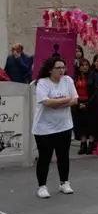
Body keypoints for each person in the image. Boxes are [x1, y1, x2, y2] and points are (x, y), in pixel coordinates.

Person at [33, 57, 78, 198]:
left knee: (63, 156)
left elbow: (75, 100)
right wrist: (65, 100)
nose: (61, 70)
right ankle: (42, 186)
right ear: (50, 69)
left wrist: (57, 103)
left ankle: (64, 182)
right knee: (45, 158)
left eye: (63, 67)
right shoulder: (42, 83)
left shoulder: (68, 80)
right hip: (44, 128)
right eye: (58, 68)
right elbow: (47, 103)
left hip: (64, 126)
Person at [72, 58, 92, 155]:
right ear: (79, 67)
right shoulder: (75, 78)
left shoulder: (92, 76)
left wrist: (87, 104)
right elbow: (72, 91)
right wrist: (78, 103)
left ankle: (91, 144)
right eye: (82, 65)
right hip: (78, 102)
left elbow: (95, 92)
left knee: (90, 124)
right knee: (80, 125)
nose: (85, 67)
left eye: (86, 65)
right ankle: (83, 144)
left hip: (90, 102)